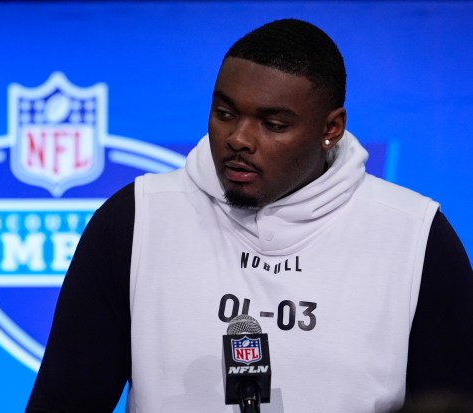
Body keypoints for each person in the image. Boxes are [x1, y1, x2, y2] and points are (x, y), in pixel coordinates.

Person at [26, 18, 473, 413]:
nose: (238, 138)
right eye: (224, 113)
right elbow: (64, 402)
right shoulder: (135, 220)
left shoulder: (414, 237)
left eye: (273, 124)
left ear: (330, 129)